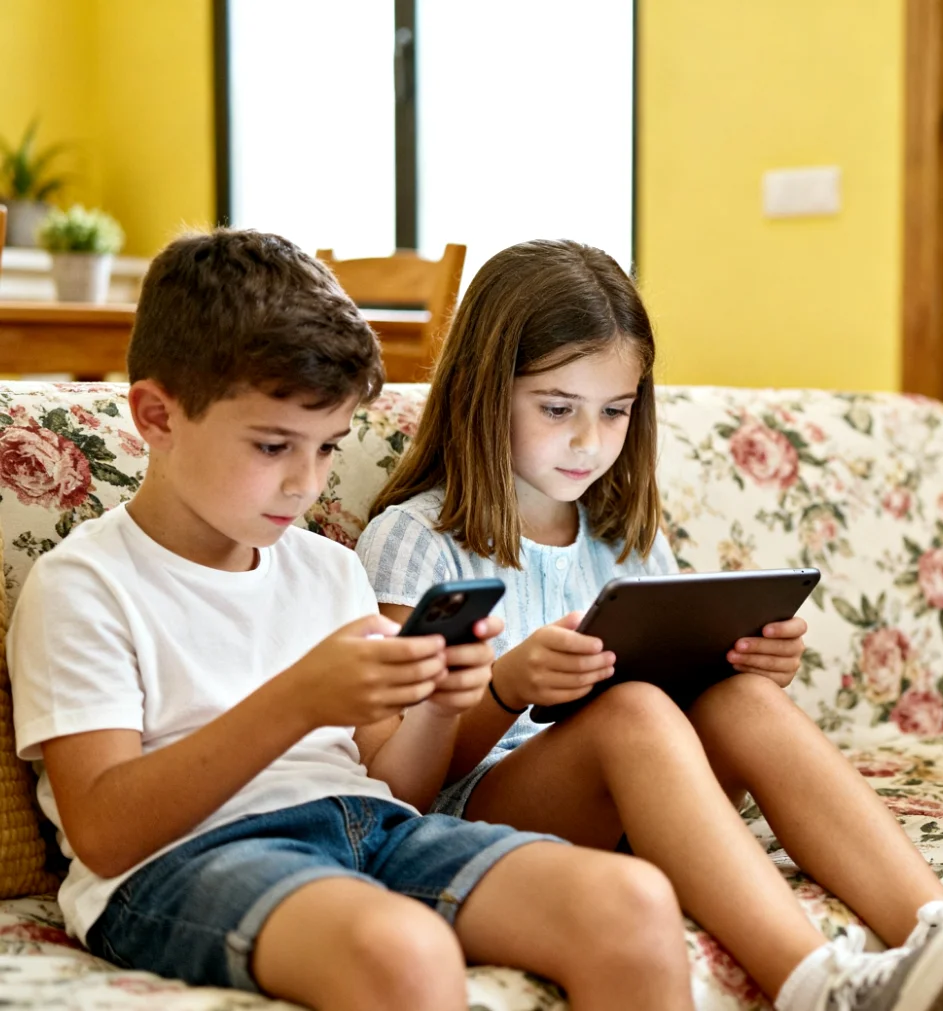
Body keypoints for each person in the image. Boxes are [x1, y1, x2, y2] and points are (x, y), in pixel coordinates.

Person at [355, 239, 943, 1011]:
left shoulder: (625, 537)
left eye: (615, 411)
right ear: (483, 390)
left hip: (653, 790)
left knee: (739, 697)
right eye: (557, 408)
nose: (588, 440)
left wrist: (741, 662)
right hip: (485, 817)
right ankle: (817, 982)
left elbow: (680, 687)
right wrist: (506, 688)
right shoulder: (417, 537)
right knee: (633, 710)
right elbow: (399, 779)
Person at [6, 229, 696, 1010]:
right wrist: (299, 699)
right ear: (157, 416)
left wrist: (442, 699)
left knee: (632, 903)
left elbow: (397, 783)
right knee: (401, 950)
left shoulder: (328, 569)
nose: (304, 482)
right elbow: (103, 830)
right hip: (189, 857)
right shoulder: (86, 583)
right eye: (273, 445)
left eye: (328, 447)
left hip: (372, 828)